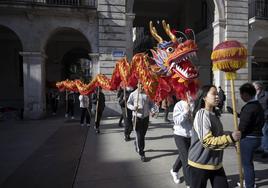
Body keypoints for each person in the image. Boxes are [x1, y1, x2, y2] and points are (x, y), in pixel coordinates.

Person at [188, 85, 241, 188]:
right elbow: (207, 141)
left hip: (216, 164)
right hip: (199, 164)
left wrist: (231, 137)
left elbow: (218, 134)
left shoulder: (214, 114)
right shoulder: (202, 115)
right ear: (204, 97)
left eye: (217, 94)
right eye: (214, 94)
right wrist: (230, 138)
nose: (217, 96)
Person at [237, 83, 264, 188]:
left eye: (241, 94)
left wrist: (236, 135)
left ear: (246, 94)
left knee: (247, 165)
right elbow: (253, 119)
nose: (241, 97)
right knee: (248, 163)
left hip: (248, 139)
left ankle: (249, 185)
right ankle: (248, 182)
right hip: (256, 137)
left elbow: (243, 126)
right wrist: (238, 114)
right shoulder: (257, 105)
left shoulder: (249, 107)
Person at [127, 83, 155, 162]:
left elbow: (151, 104)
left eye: (143, 85)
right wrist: (133, 107)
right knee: (140, 136)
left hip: (145, 117)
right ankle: (142, 153)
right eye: (141, 85)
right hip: (137, 117)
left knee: (143, 135)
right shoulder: (133, 94)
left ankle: (137, 143)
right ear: (137, 85)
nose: (142, 87)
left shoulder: (147, 93)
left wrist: (152, 111)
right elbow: (128, 103)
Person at [170, 96, 194, 186]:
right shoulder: (179, 105)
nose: (191, 94)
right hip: (180, 135)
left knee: (184, 155)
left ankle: (174, 170)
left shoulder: (195, 104)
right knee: (187, 161)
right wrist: (186, 112)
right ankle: (189, 184)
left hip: (192, 135)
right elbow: (176, 121)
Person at [253, 81, 268, 158]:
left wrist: (266, 115)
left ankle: (266, 150)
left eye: (255, 88)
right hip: (257, 118)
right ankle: (260, 147)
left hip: (265, 118)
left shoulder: (266, 95)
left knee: (264, 133)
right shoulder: (254, 95)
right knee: (260, 133)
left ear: (259, 87)